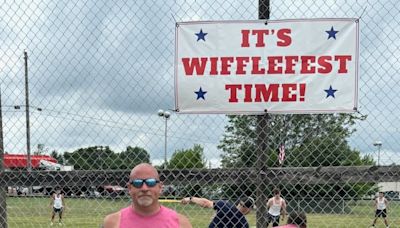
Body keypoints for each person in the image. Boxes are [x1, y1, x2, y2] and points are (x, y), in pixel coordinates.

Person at [103, 163, 192, 228]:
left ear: (160, 187)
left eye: (151, 182)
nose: (144, 189)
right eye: (138, 183)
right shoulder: (112, 223)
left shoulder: (181, 223)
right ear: (129, 188)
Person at [181, 195, 254, 228]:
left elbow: (205, 203)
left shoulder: (225, 205)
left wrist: (190, 199)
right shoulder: (244, 224)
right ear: (249, 209)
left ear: (239, 203)